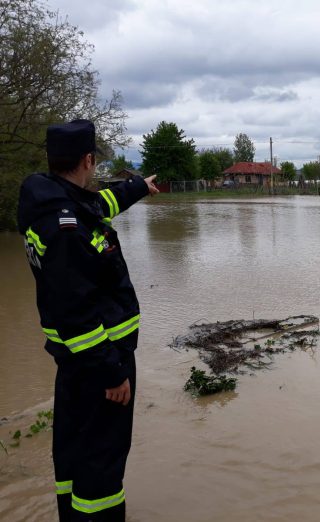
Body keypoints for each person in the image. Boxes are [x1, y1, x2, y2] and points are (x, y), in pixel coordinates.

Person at [17, 119, 158, 521]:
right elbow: (75, 314)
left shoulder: (57, 201)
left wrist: (137, 187)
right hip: (100, 360)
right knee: (102, 460)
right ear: (88, 160)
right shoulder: (67, 229)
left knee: (75, 448)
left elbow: (103, 205)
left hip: (77, 362)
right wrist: (111, 373)